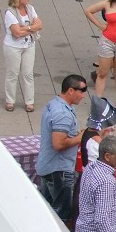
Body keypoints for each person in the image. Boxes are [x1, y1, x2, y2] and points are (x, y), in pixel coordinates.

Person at [37, 75, 88, 222]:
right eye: (81, 91)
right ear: (71, 90)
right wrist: (79, 138)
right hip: (58, 170)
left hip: (49, 166)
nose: (84, 95)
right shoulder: (63, 114)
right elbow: (58, 144)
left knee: (47, 210)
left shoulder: (54, 104)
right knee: (60, 215)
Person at [4, 0, 44, 112]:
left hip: (29, 45)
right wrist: (31, 28)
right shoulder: (10, 12)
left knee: (28, 74)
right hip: (13, 47)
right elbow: (16, 33)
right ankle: (10, 101)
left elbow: (40, 24)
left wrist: (25, 28)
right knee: (12, 74)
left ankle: (29, 102)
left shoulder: (30, 9)